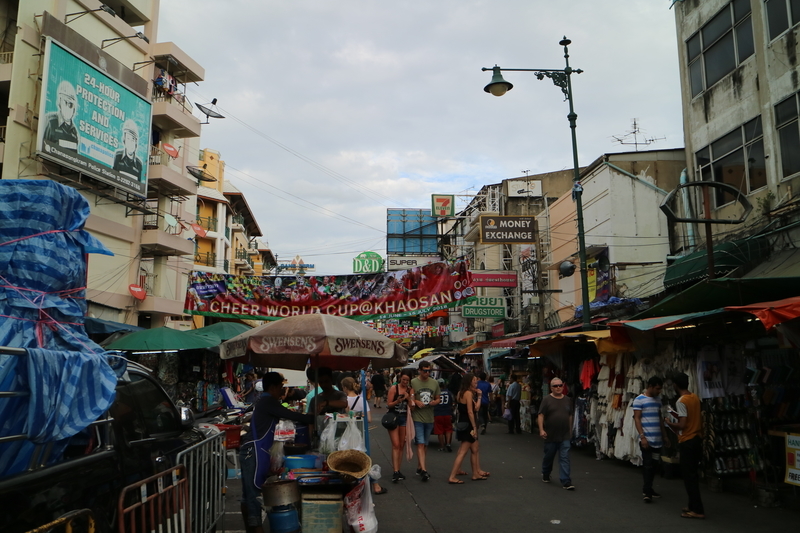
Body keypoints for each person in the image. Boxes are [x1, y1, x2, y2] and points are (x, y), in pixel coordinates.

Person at [239, 372, 315, 533]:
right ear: (272, 387)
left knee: (249, 495)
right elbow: (290, 415)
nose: (282, 391)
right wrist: (313, 416)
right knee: (253, 494)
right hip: (253, 451)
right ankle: (256, 527)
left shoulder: (265, 401)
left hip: (255, 450)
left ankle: (250, 528)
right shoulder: (268, 401)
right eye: (280, 387)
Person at [665, 372, 705, 519]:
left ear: (675, 385)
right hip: (697, 438)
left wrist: (669, 423)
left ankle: (697, 509)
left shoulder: (681, 401)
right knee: (692, 474)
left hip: (687, 440)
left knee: (689, 477)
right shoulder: (694, 397)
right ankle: (692, 505)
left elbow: (682, 424)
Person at [341, 377, 387, 495]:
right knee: (364, 459)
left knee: (348, 460)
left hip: (347, 435)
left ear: (345, 388)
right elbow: (370, 419)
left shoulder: (343, 400)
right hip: (361, 434)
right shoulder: (362, 400)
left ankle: (355, 485)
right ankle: (375, 484)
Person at [447, 373, 490, 483]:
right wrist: (474, 427)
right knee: (463, 451)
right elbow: (472, 411)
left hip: (462, 422)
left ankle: (476, 472)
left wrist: (479, 396)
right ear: (469, 382)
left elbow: (473, 408)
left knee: (475, 448)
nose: (476, 383)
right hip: (469, 424)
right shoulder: (468, 394)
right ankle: (452, 476)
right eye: (474, 381)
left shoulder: (460, 393)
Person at [633, 376, 667, 503]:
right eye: (657, 388)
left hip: (657, 439)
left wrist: (665, 436)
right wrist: (642, 437)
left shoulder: (658, 400)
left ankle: (649, 488)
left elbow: (660, 418)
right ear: (651, 386)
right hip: (646, 438)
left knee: (654, 465)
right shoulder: (639, 400)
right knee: (647, 465)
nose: (659, 391)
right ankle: (647, 491)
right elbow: (637, 419)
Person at [537, 377, 574, 490]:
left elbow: (570, 416)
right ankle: (546, 472)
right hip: (550, 435)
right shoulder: (547, 400)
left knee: (564, 457)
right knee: (549, 456)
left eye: (560, 385)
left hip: (564, 435)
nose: (558, 388)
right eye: (555, 386)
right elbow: (541, 415)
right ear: (551, 388)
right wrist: (541, 429)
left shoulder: (567, 400)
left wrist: (570, 430)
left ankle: (566, 481)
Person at [410, 361, 441, 481]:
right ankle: (424, 470)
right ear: (419, 370)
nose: (427, 373)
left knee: (425, 444)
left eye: (429, 371)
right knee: (420, 443)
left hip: (429, 416)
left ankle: (419, 466)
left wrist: (435, 402)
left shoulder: (434, 383)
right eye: (425, 371)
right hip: (417, 416)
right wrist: (415, 402)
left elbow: (438, 398)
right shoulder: (413, 382)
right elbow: (410, 397)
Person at [386, 369, 414, 482]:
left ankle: (398, 469)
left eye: (407, 380)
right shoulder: (394, 388)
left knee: (401, 445)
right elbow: (388, 405)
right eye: (403, 380)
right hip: (393, 417)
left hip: (404, 418)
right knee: (396, 444)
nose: (405, 382)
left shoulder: (410, 390)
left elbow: (412, 405)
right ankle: (395, 471)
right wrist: (398, 401)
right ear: (399, 378)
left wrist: (408, 398)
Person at [43, 80, 79, 151]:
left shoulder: (74, 132)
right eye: (65, 102)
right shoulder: (50, 122)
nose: (67, 107)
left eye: (70, 104)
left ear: (74, 109)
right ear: (59, 103)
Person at [433, 377, 454, 452]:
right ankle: (448, 443)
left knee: (440, 430)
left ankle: (442, 446)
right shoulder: (449, 392)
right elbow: (452, 403)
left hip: (438, 413)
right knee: (448, 429)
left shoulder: (435, 393)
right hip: (447, 413)